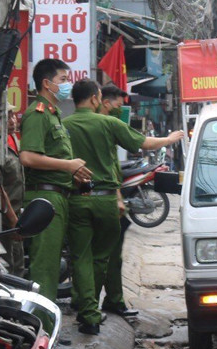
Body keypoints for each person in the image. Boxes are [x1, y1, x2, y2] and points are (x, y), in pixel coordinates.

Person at [63, 79, 183, 335]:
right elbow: (143, 143)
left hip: (76, 199)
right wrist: (169, 138)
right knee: (101, 257)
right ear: (96, 98)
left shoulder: (64, 125)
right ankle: (92, 311)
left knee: (80, 257)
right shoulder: (108, 123)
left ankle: (88, 312)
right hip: (105, 199)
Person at [19, 58, 92, 304]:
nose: (67, 85)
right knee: (45, 267)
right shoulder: (38, 114)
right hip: (44, 197)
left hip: (58, 195)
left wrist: (73, 173)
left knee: (52, 264)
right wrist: (67, 165)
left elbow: (52, 156)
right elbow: (27, 157)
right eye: (62, 80)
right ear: (46, 83)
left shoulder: (53, 115)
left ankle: (46, 328)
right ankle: (43, 330)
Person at [97, 84, 138, 319]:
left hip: (102, 198)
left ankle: (93, 304)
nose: (119, 111)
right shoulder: (104, 126)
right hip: (103, 200)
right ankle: (108, 302)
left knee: (99, 257)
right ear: (104, 102)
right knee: (108, 257)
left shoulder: (99, 127)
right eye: (118, 106)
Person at [0, 103, 24, 276]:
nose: (13, 120)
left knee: (18, 266)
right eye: (8, 116)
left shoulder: (13, 141)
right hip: (5, 222)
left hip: (16, 218)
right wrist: (13, 220)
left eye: (14, 115)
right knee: (8, 269)